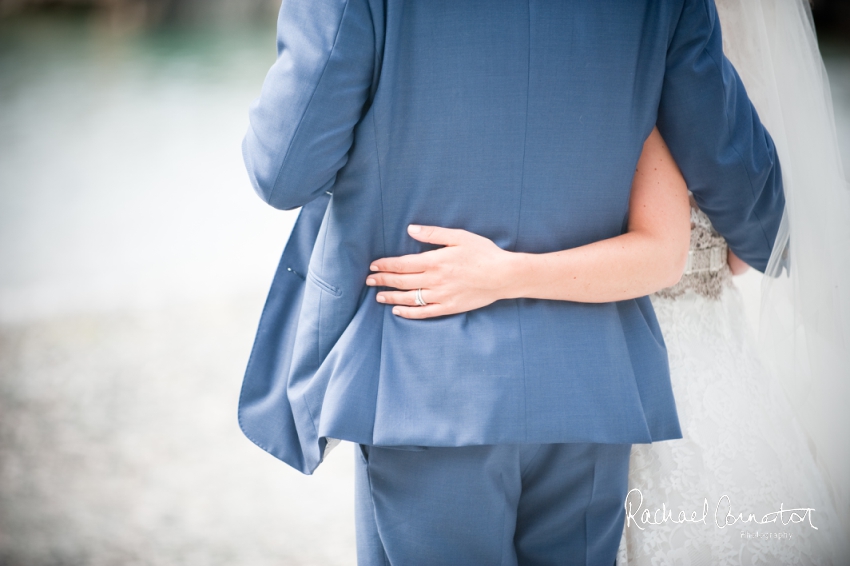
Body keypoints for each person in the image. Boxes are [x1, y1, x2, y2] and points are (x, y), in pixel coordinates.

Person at [237, 1, 785, 563]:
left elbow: (282, 170)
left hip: (424, 374)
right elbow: (735, 167)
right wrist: (767, 233)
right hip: (592, 383)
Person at [368, 0, 850, 563]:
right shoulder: (656, 39)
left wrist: (503, 273)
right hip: (630, 360)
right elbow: (753, 241)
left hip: (599, 362)